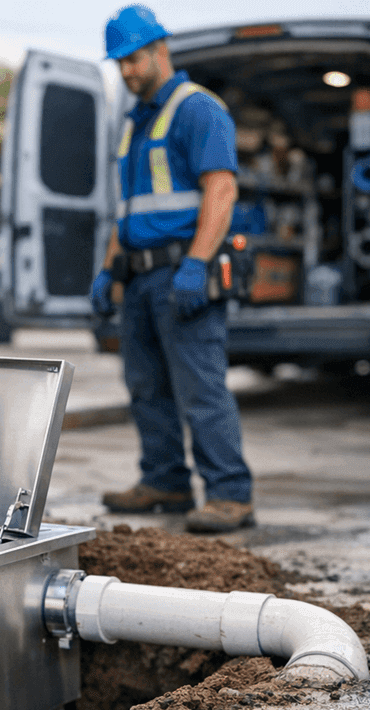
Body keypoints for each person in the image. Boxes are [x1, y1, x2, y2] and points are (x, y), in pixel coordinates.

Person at [90, 5, 254, 533]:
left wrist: (197, 264)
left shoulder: (197, 110)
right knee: (147, 387)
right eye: (119, 63)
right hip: (140, 279)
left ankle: (230, 493)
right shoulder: (135, 123)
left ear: (161, 50)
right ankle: (165, 481)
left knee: (200, 389)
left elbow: (221, 189)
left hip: (181, 273)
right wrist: (110, 271)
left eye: (134, 59)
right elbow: (130, 208)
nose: (127, 72)